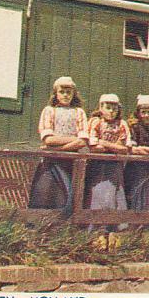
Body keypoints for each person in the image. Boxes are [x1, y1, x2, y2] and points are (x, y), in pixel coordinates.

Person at [28, 76, 88, 217]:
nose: (66, 95)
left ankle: (64, 228)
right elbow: (48, 139)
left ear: (74, 93)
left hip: (70, 163)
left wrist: (58, 149)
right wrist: (72, 140)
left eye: (69, 92)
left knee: (67, 195)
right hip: (50, 162)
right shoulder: (49, 111)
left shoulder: (79, 112)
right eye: (62, 92)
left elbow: (83, 141)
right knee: (45, 193)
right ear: (56, 94)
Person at [85, 94, 130, 231]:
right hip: (97, 165)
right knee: (97, 193)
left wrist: (103, 143)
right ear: (101, 108)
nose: (111, 111)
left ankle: (114, 229)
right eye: (108, 108)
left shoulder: (122, 124)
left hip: (114, 165)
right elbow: (93, 146)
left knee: (114, 194)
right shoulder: (95, 122)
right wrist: (114, 147)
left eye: (114, 109)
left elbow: (124, 148)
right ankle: (95, 228)